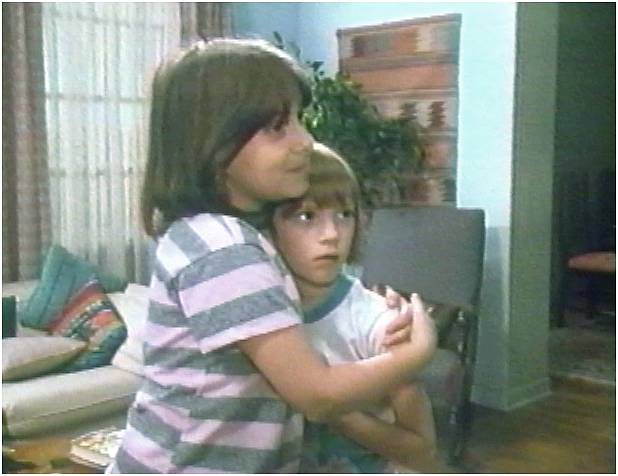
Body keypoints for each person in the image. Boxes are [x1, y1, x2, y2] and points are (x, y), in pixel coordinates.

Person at [107, 38, 436, 474]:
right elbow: (316, 395)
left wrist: (374, 315)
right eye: (277, 127)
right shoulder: (222, 248)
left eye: (299, 120)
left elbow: (294, 302)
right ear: (213, 144)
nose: (305, 141)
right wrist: (418, 351)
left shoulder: (229, 235)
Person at [270, 143, 439, 473]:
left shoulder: (382, 323)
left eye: (344, 215)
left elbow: (422, 451)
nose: (332, 234)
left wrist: (332, 408)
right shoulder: (254, 313)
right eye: (307, 216)